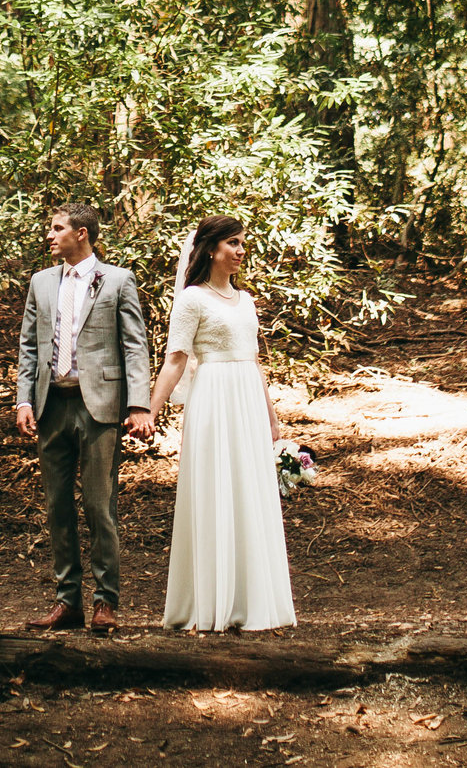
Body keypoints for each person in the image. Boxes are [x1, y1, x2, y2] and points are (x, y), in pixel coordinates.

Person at [146, 215, 296, 633]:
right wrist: (150, 410)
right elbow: (176, 359)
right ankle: (210, 601)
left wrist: (272, 417)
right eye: (233, 243)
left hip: (247, 398)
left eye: (243, 242)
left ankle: (251, 599)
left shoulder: (245, 300)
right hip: (212, 398)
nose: (241, 250)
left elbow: (254, 360)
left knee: (249, 490)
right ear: (211, 249)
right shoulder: (192, 299)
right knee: (215, 490)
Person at [15, 201, 154, 634]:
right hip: (51, 405)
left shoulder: (117, 281)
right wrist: (23, 400)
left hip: (99, 407)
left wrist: (139, 404)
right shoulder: (40, 283)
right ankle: (66, 601)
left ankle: (105, 602)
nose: (49, 236)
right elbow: (28, 347)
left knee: (98, 505)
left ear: (82, 234)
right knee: (57, 506)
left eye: (57, 229)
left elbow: (134, 345)